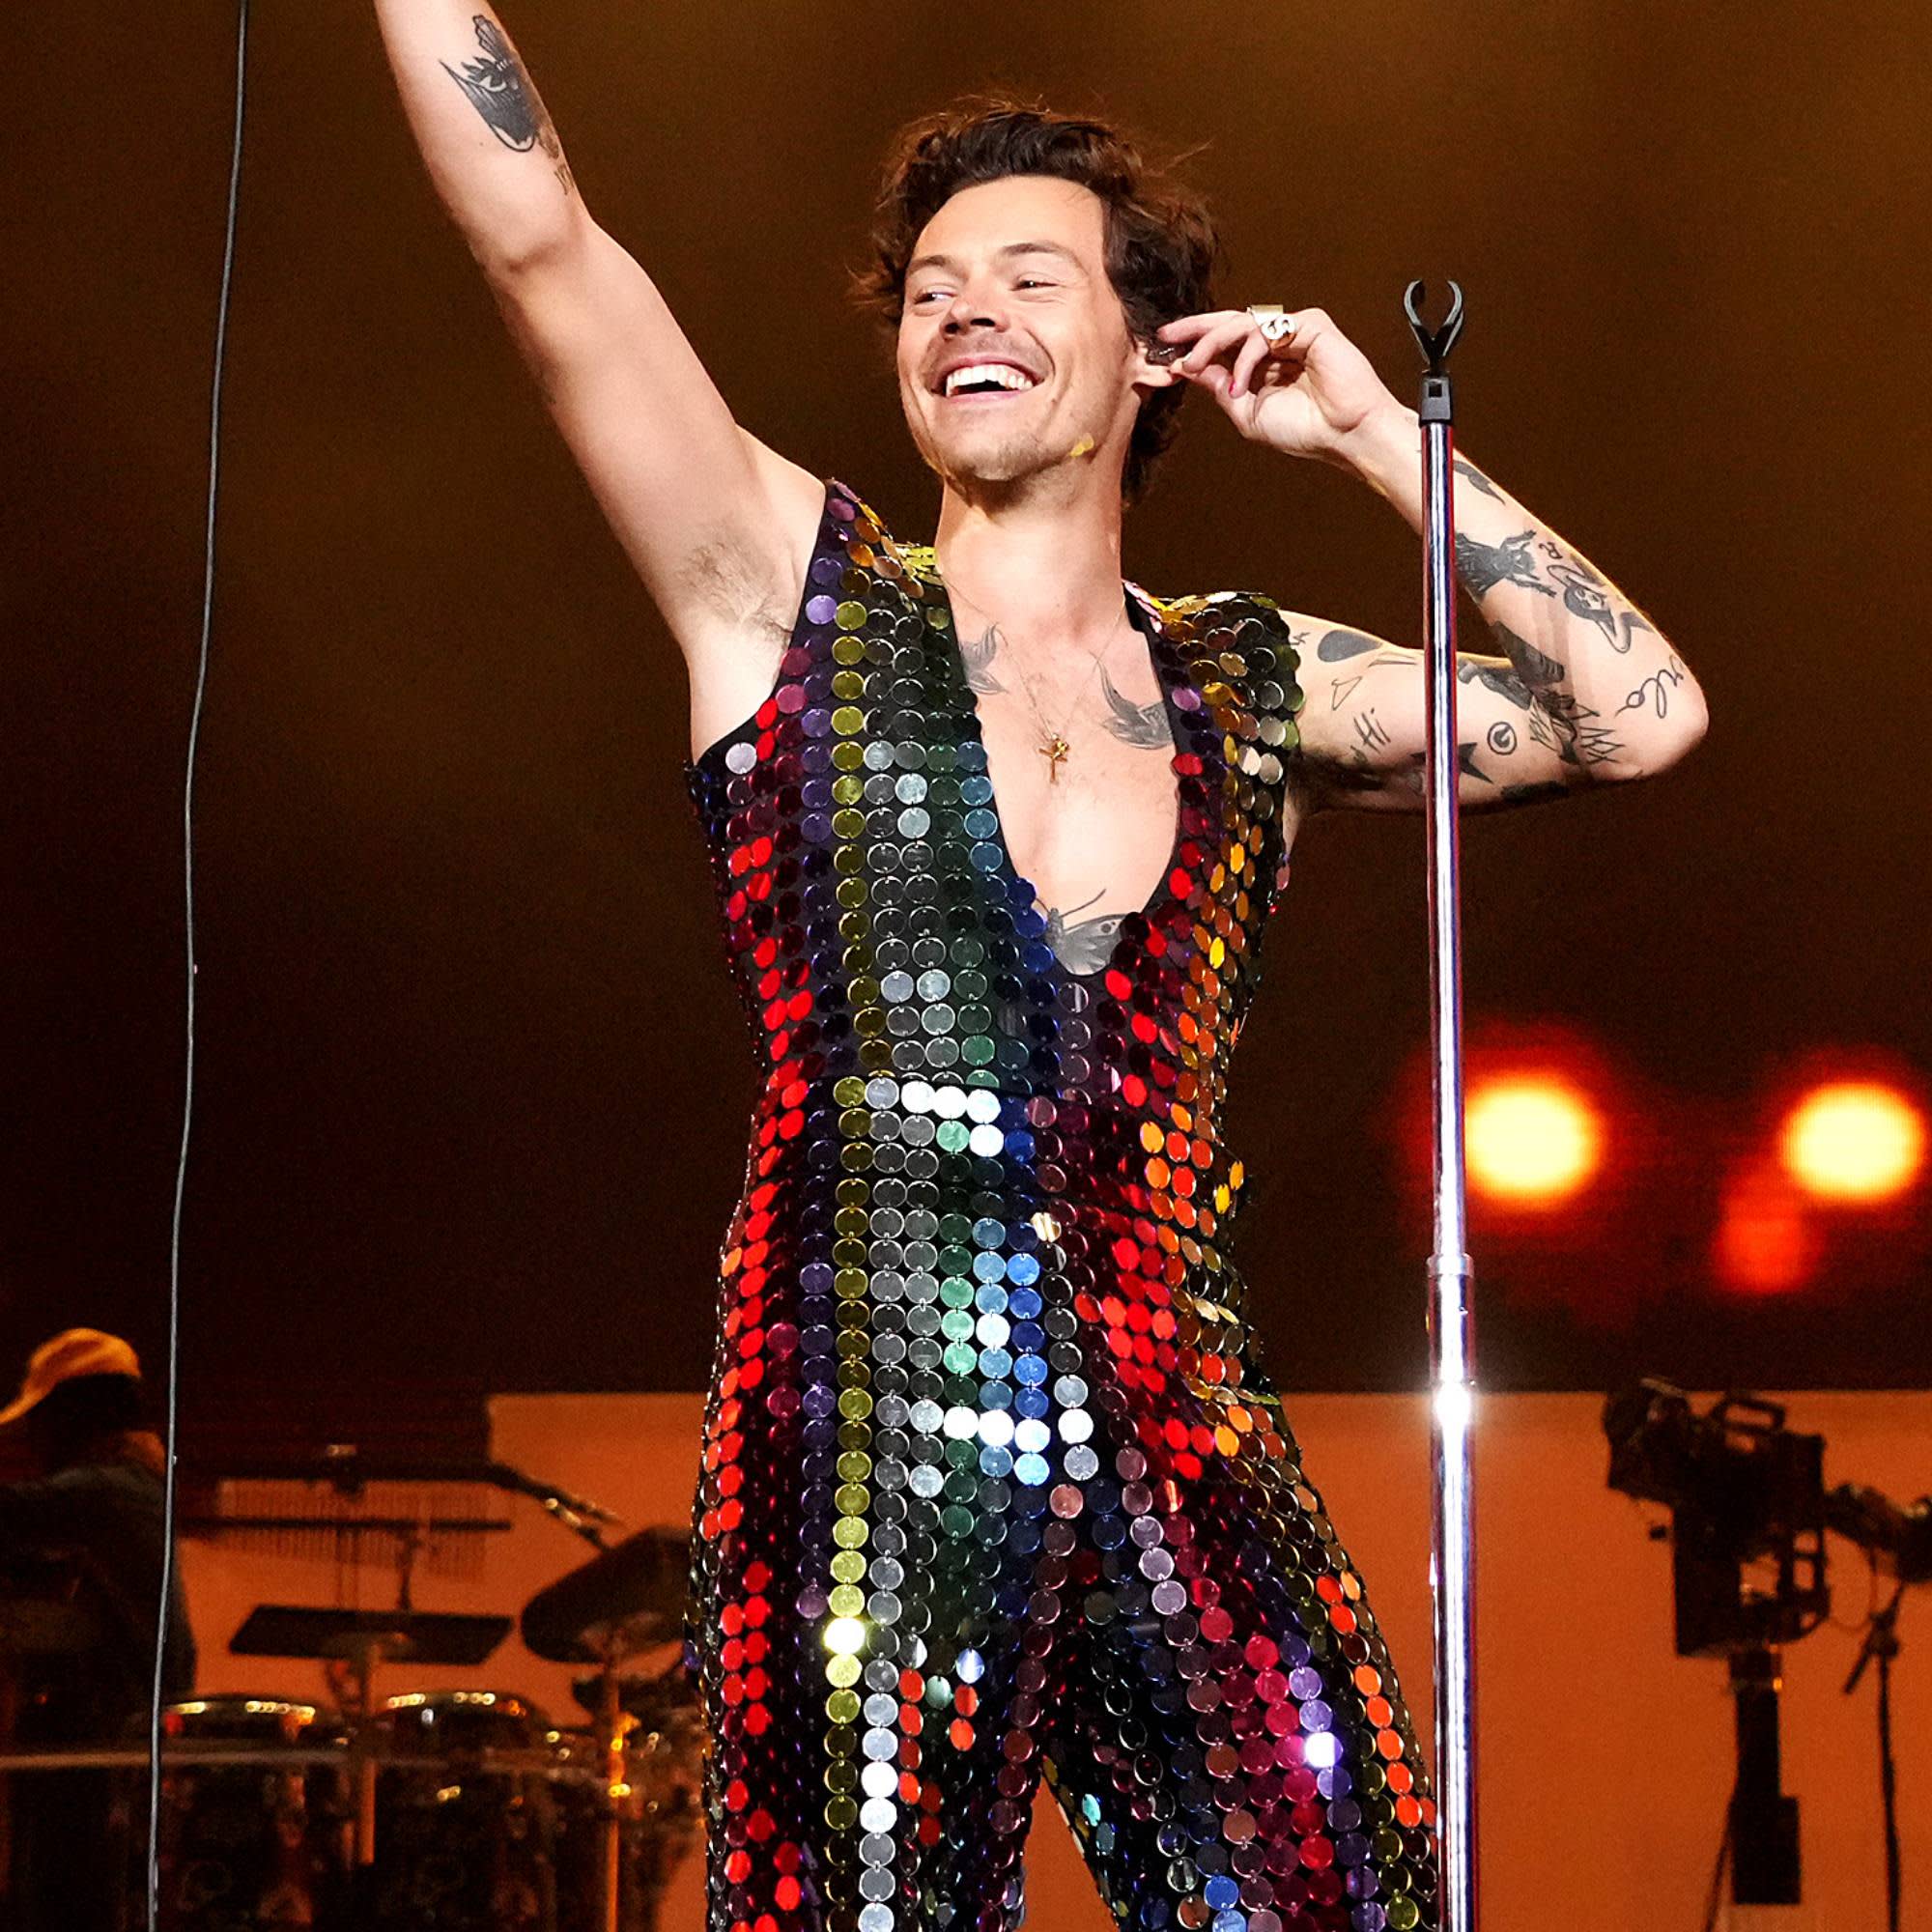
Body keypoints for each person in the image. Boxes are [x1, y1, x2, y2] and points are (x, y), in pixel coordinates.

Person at [374, 14, 1707, 1930]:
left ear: (1151, 346)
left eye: (1023, 275)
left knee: (1343, 1888)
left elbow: (1638, 718)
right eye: (929, 290)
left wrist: (1372, 435)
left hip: (1185, 1402)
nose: (963, 313)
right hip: (865, 1408)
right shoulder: (783, 593)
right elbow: (537, 236)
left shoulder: (1253, 682)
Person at [0, 1328, 196, 1928]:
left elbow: (13, 1514)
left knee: (65, 1902)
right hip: (116, 1736)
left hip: (103, 1742)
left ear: (78, 1413)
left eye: (41, 1421)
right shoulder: (135, 1486)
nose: (31, 1439)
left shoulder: (111, 1489)